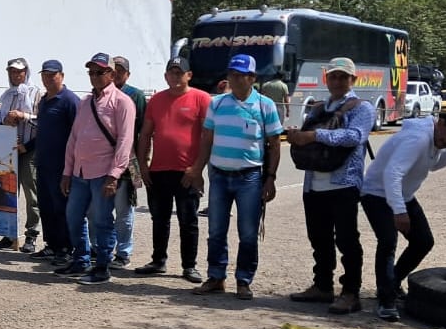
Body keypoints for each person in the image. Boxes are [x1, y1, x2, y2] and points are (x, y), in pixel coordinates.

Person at [360, 112, 446, 321]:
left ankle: (391, 284)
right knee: (387, 241)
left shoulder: (441, 141)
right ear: (440, 123)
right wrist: (399, 211)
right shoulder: (418, 139)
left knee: (423, 241)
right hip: (377, 192)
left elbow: (434, 165)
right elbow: (392, 173)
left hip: (403, 194)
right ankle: (386, 301)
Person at [285, 57, 375, 315]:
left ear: (353, 80)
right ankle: (322, 286)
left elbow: (355, 137)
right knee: (319, 239)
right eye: (333, 76)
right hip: (314, 184)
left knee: (347, 240)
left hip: (343, 184)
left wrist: (314, 135)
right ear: (327, 79)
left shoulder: (362, 108)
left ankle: (350, 292)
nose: (337, 81)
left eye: (343, 77)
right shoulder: (318, 108)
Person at [191, 54, 283, 300]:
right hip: (219, 175)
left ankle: (243, 280)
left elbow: (275, 143)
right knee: (216, 230)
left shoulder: (265, 105)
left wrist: (271, 178)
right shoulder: (218, 103)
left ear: (252, 78)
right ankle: (216, 277)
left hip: (250, 178)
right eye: (232, 74)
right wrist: (197, 170)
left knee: (248, 232)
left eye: (241, 75)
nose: (235, 79)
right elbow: (207, 138)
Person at [59, 52, 135, 285]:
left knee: (102, 221)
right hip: (80, 172)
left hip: (103, 173)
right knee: (73, 216)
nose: (94, 76)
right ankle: (81, 260)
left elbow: (125, 141)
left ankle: (102, 266)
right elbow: (74, 138)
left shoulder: (122, 102)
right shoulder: (85, 103)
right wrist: (67, 171)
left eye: (99, 72)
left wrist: (114, 175)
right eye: (91, 72)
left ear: (111, 74)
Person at [135, 57, 210, 283]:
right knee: (159, 218)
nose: (175, 77)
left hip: (187, 171)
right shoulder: (156, 100)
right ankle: (158, 260)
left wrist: (197, 169)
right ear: (166, 75)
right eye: (171, 72)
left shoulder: (201, 99)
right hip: (159, 170)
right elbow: (146, 134)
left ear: (189, 75)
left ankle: (189, 266)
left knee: (188, 220)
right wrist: (142, 166)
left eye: (180, 72)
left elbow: (208, 137)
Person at [29, 60, 80, 267]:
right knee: (46, 206)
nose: (48, 79)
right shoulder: (44, 101)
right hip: (43, 163)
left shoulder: (70, 100)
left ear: (62, 76)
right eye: (45, 75)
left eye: (53, 75)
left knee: (62, 207)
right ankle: (51, 245)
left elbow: (78, 135)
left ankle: (66, 248)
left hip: (62, 165)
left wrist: (72, 166)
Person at [0, 57, 43, 252]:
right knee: (7, 193)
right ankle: (9, 233)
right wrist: (6, 121)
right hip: (9, 151)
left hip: (29, 150)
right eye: (12, 71)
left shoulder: (36, 94)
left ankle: (31, 235)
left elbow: (43, 122)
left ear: (26, 72)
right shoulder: (5, 96)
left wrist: (24, 116)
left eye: (19, 71)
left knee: (31, 195)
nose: (16, 75)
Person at [106, 56, 146, 268]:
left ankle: (123, 251)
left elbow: (141, 131)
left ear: (127, 74)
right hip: (102, 159)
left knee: (124, 209)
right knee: (100, 207)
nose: (117, 73)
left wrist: (140, 164)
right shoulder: (99, 94)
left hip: (129, 160)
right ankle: (103, 247)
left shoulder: (135, 95)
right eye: (114, 69)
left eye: (121, 70)